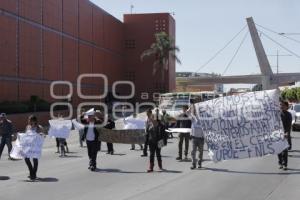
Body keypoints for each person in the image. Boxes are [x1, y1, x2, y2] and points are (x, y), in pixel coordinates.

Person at [24, 115, 44, 180]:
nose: (28, 121)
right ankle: (31, 171)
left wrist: (41, 135)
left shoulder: (39, 127)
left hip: (35, 146)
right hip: (28, 146)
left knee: (35, 159)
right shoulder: (27, 127)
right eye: (28, 119)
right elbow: (26, 135)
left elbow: (42, 135)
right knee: (26, 159)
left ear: (33, 120)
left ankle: (33, 174)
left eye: (29, 119)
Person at [188, 103, 205, 169]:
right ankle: (193, 164)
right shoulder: (193, 118)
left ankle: (199, 163)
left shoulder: (203, 119)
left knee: (200, 152)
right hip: (194, 138)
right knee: (193, 152)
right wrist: (191, 107)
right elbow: (187, 113)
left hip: (201, 138)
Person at [278, 101, 292, 170]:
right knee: (279, 150)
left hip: (285, 134)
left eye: (283, 105)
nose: (281, 106)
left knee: (285, 150)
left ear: (286, 106)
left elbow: (289, 125)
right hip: (278, 134)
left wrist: (286, 133)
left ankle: (285, 164)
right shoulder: (278, 114)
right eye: (280, 105)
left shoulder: (288, 114)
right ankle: (280, 163)